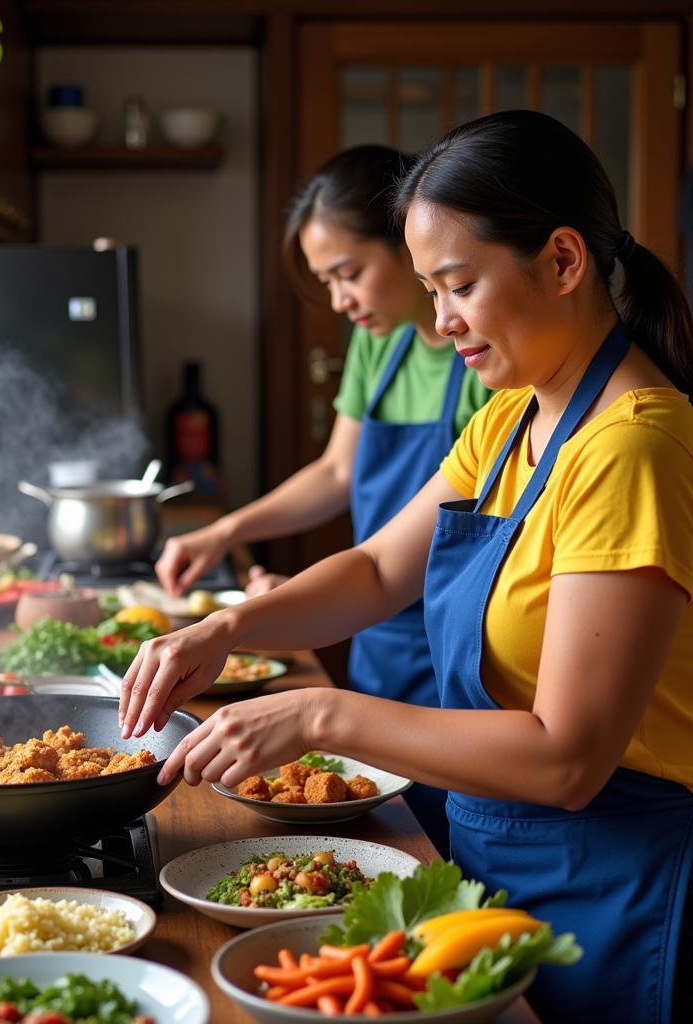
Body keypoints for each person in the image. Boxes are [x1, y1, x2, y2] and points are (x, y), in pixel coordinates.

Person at [121, 110, 693, 1024]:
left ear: (561, 260)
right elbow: (379, 569)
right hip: (514, 870)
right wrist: (224, 627)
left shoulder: (635, 450)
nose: (440, 321)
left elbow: (569, 758)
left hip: (643, 895)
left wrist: (321, 711)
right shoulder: (511, 420)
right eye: (429, 288)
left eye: (458, 284)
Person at [156, 148, 490, 852]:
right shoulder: (381, 347)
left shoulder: (494, 369)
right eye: (326, 280)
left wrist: (258, 616)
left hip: (451, 640)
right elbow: (340, 476)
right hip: (376, 632)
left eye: (349, 273)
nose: (339, 299)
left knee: (441, 841)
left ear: (407, 241)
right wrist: (227, 534)